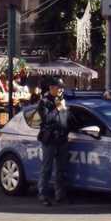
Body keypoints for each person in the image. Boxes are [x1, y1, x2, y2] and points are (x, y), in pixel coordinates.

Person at [36, 77, 71, 206]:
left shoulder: (62, 101)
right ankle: (43, 195)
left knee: (61, 169)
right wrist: (57, 108)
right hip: (49, 139)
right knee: (47, 169)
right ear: (51, 88)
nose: (61, 90)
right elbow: (46, 119)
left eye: (62, 87)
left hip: (62, 139)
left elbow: (66, 119)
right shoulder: (44, 102)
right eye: (58, 87)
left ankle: (60, 195)